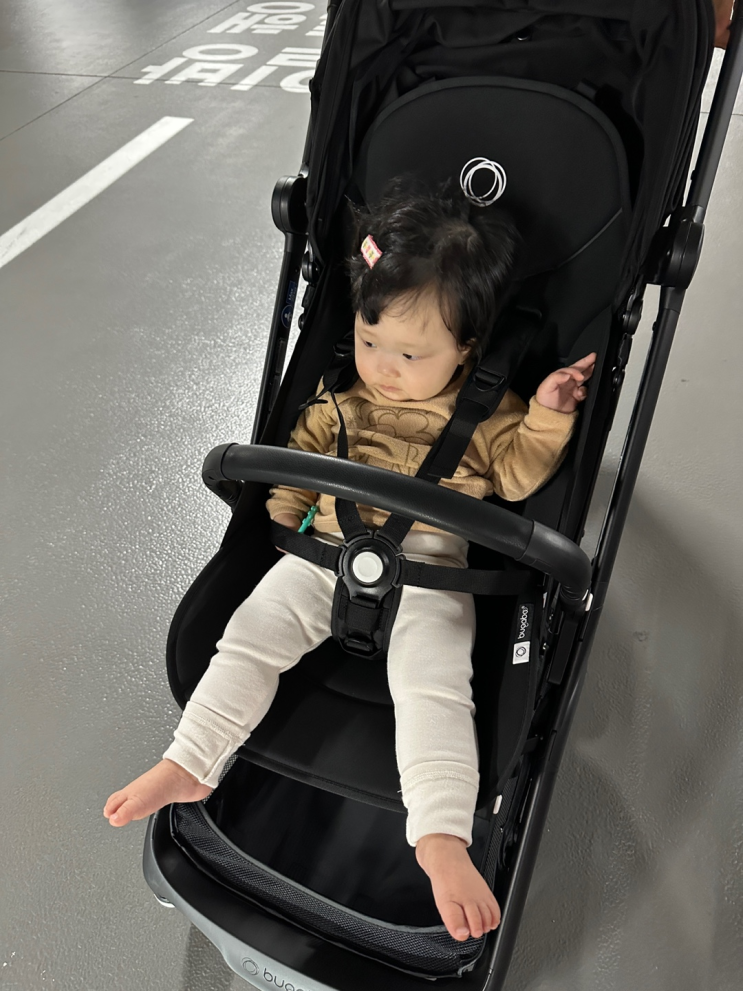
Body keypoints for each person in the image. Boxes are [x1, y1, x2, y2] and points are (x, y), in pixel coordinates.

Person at [104, 182, 596, 943]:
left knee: (434, 686)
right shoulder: (341, 404)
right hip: (323, 553)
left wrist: (546, 415)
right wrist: (277, 520)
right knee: (249, 637)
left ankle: (439, 835)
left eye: (410, 354)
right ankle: (192, 760)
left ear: (465, 350)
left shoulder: (486, 413)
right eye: (370, 341)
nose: (384, 367)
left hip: (432, 569)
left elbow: (514, 476)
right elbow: (296, 471)